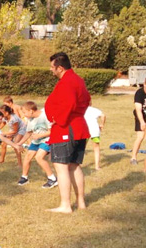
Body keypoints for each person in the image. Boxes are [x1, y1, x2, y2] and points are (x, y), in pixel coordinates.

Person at [44, 52, 90, 213]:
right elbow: (86, 101)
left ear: (60, 68)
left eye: (52, 67)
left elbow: (68, 104)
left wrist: (57, 119)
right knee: (73, 166)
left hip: (66, 127)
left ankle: (65, 205)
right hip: (79, 127)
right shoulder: (78, 80)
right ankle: (81, 202)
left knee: (61, 166)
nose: (51, 70)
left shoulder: (67, 82)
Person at [17, 101, 57, 188]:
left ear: (31, 111)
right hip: (36, 141)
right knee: (28, 157)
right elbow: (28, 133)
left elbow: (53, 131)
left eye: (25, 112)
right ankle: (24, 177)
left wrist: (40, 135)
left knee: (39, 157)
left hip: (47, 139)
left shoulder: (45, 116)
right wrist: (19, 143)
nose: (24, 115)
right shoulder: (30, 119)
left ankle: (52, 179)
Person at [83, 102, 106, 171]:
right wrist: (102, 124)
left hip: (85, 130)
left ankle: (77, 164)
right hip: (95, 131)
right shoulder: (94, 110)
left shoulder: (81, 110)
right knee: (96, 147)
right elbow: (103, 115)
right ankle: (97, 166)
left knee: (81, 147)